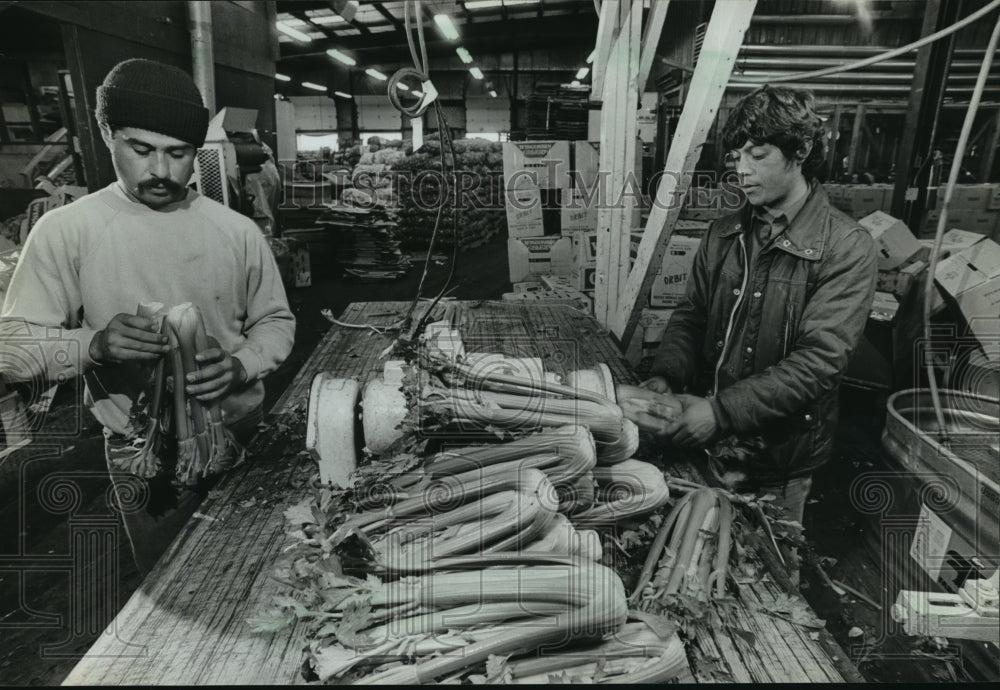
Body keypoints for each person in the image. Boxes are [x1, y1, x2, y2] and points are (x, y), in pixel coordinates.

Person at [0, 58, 296, 573]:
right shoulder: (68, 230)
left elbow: (276, 321)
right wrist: (94, 345)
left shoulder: (236, 231)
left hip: (245, 432)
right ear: (108, 135)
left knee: (265, 575)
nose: (160, 170)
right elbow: (13, 348)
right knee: (173, 587)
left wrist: (244, 363)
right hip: (142, 452)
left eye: (178, 154)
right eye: (140, 150)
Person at [620, 85, 877, 583]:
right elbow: (690, 316)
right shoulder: (723, 233)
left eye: (757, 154)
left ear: (800, 152)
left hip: (777, 460)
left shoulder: (844, 247)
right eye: (737, 154)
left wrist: (721, 411)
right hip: (705, 444)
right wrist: (666, 375)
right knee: (695, 572)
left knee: (770, 582)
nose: (742, 168)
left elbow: (820, 361)